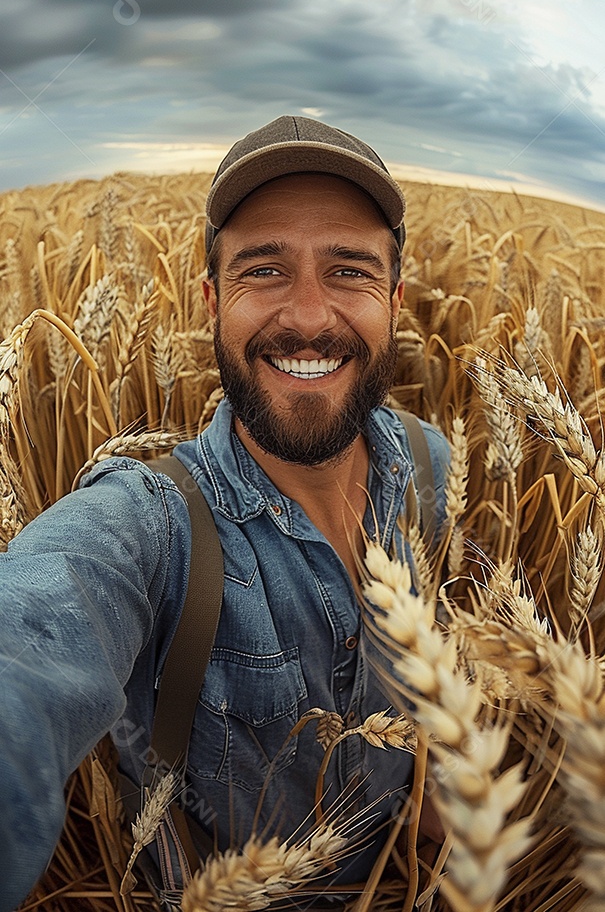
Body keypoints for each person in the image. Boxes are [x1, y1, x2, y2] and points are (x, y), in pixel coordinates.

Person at [0, 115, 449, 911]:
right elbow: (29, 639)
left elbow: (456, 637)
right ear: (211, 299)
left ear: (394, 300)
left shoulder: (429, 464)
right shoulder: (148, 525)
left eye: (348, 271)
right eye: (263, 270)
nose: (308, 317)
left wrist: (438, 776)